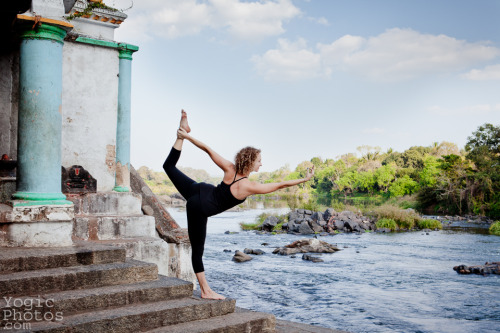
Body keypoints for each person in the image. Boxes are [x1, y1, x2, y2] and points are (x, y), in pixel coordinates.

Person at [163, 110, 315, 300]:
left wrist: (187, 136)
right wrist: (305, 178)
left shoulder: (229, 167)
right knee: (197, 251)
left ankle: (180, 134)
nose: (261, 164)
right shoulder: (249, 186)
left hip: (197, 190)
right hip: (199, 208)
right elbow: (281, 184)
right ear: (251, 162)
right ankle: (205, 291)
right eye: (259, 161)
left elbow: (207, 149)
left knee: (168, 167)